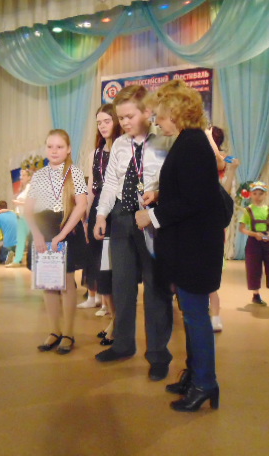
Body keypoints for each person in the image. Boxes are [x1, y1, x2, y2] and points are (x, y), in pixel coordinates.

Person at [135, 81, 225, 412]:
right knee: (190, 313)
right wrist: (161, 194)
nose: (157, 121)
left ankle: (205, 383)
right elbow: (190, 189)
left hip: (196, 246)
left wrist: (151, 216)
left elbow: (194, 200)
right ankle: (195, 375)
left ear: (176, 112)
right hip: (191, 244)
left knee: (196, 315)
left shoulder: (192, 145)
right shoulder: (189, 141)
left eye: (160, 115)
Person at [93, 85, 175, 381]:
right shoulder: (119, 144)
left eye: (129, 116)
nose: (124, 122)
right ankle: (123, 344)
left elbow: (173, 182)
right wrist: (101, 214)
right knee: (122, 284)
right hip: (121, 217)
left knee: (155, 288)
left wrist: (158, 195)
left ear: (147, 112)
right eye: (121, 118)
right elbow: (111, 183)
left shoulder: (164, 141)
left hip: (150, 219)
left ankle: (158, 355)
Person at [25, 129, 88, 355]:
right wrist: (37, 234)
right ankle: (54, 331)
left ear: (68, 149)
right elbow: (28, 210)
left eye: (59, 147)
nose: (54, 151)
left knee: (67, 284)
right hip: (43, 230)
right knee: (48, 283)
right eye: (50, 146)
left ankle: (68, 333)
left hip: (66, 229)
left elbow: (81, 205)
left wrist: (62, 235)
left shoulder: (75, 173)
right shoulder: (38, 175)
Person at [80, 104, 121, 346]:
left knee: (115, 271)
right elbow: (92, 188)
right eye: (99, 122)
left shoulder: (124, 149)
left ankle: (118, 323)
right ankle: (114, 319)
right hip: (99, 213)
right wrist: (87, 217)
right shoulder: (95, 154)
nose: (103, 126)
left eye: (107, 121)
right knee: (103, 273)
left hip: (118, 212)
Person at [208, 125, 241, 333]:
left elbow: (225, 196)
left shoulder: (224, 163)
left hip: (213, 225)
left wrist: (231, 170)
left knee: (211, 275)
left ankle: (215, 315)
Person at [7, 169, 33, 268]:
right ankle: (17, 260)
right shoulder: (24, 188)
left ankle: (28, 259)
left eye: (24, 175)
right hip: (22, 216)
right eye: (21, 175)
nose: (21, 177)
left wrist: (18, 203)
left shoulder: (31, 187)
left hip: (29, 216)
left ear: (29, 177)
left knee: (30, 239)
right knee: (20, 239)